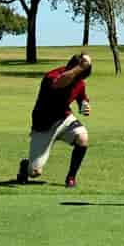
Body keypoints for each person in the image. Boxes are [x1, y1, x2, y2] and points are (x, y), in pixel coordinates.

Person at [17, 53, 93, 188]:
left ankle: (71, 177)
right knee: (35, 172)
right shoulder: (52, 76)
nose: (82, 78)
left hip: (64, 119)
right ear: (74, 68)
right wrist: (81, 66)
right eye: (81, 72)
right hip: (44, 125)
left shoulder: (79, 82)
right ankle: (26, 166)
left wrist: (84, 105)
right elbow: (60, 83)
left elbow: (81, 97)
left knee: (83, 138)